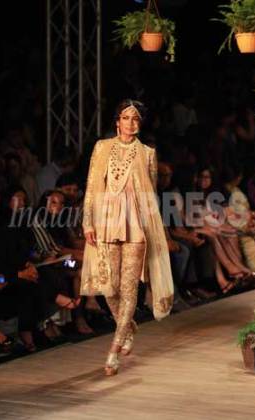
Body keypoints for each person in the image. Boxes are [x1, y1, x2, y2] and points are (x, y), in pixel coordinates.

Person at [81, 99, 173, 376]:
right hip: (106, 222)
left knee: (129, 287)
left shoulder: (147, 153)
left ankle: (114, 349)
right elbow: (91, 187)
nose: (130, 123)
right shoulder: (102, 147)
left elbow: (150, 194)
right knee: (109, 285)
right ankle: (128, 326)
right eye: (125, 118)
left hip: (136, 225)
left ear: (140, 124)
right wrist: (87, 222)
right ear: (117, 121)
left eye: (135, 119)